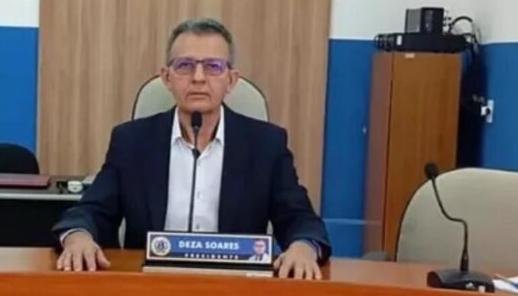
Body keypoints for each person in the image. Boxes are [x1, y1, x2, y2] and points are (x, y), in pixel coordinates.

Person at [52, 18, 331, 279]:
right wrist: (78, 237)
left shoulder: (265, 144)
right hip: (151, 286)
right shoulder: (132, 142)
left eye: (213, 67)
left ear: (231, 80)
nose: (198, 77)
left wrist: (303, 246)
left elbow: (298, 217)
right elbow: (93, 210)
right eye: (185, 65)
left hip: (235, 287)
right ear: (167, 77)